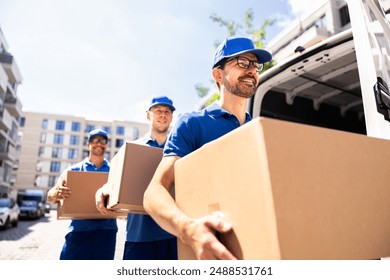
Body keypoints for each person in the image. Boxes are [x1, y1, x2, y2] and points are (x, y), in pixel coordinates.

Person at [143, 37, 272, 260]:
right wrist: (188, 229)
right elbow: (153, 192)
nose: (251, 70)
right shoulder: (193, 124)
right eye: (242, 62)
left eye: (255, 65)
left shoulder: (258, 130)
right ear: (218, 75)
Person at [95, 96, 177, 260]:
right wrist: (102, 191)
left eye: (167, 112)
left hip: (172, 235)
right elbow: (113, 182)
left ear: (171, 117)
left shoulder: (178, 149)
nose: (163, 115)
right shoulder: (132, 149)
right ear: (148, 115)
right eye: (158, 111)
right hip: (139, 237)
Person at [47, 129, 117, 260]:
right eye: (95, 140)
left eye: (102, 141)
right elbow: (50, 196)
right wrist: (57, 193)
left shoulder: (114, 171)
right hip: (79, 231)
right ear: (88, 144)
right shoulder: (73, 171)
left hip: (106, 232)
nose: (99, 144)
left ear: (106, 145)